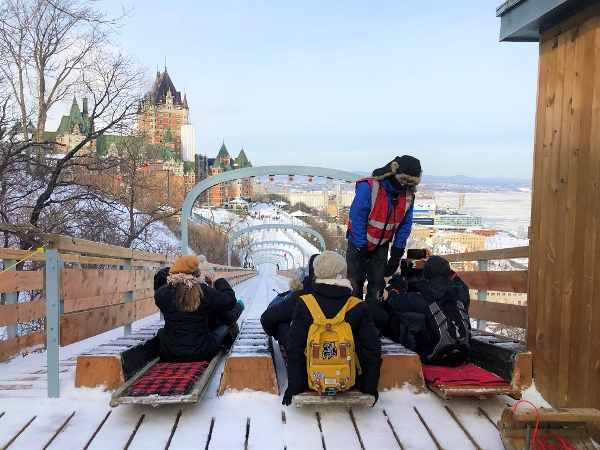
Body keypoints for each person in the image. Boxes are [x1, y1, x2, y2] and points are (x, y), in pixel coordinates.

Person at [283, 251, 382, 406]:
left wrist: (294, 387)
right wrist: (370, 388)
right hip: (348, 379)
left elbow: (295, 348)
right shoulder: (357, 306)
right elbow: (372, 349)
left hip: (313, 380)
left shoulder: (305, 304)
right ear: (342, 274)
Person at [346, 155, 422, 305]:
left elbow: (405, 225)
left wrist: (396, 253)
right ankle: (353, 317)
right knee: (355, 283)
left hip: (381, 244)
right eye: (402, 179)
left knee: (377, 285)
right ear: (393, 173)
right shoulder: (369, 186)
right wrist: (361, 247)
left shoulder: (408, 196)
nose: (403, 184)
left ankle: (374, 318)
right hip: (358, 241)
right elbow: (357, 216)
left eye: (408, 182)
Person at [154, 255, 244, 362]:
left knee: (163, 332)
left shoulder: (162, 294)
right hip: (202, 351)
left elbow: (162, 285)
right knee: (225, 327)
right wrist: (220, 282)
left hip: (170, 353)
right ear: (196, 273)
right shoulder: (202, 291)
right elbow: (229, 301)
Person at [384, 255, 470, 353]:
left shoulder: (418, 298)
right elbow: (457, 279)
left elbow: (392, 299)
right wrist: (437, 262)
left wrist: (403, 277)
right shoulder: (461, 293)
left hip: (426, 353)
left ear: (426, 275)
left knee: (392, 316)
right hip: (460, 351)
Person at [261, 254, 318, 355]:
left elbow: (267, 318)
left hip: (308, 355)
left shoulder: (301, 296)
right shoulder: (351, 297)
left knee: (284, 324)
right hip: (342, 353)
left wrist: (278, 334)